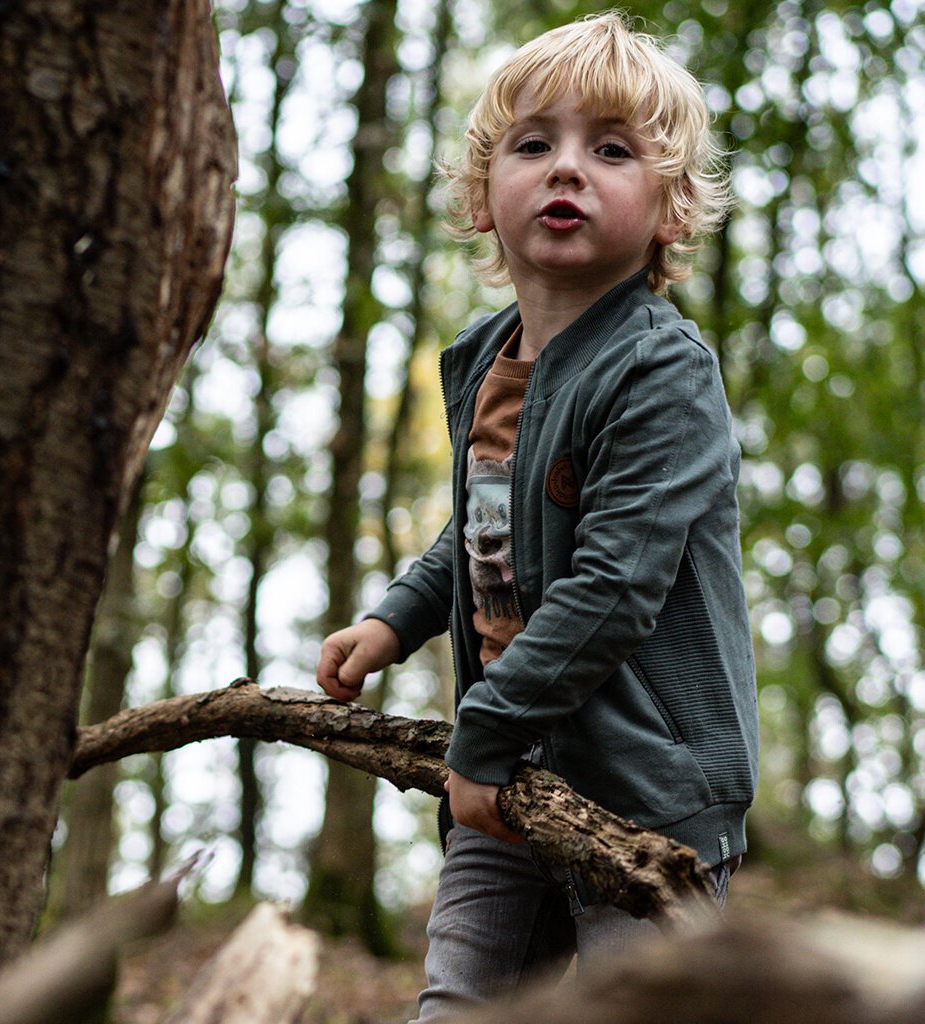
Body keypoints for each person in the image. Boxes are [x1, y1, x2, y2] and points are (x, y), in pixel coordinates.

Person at [316, 11, 758, 1019]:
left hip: (644, 791)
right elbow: (479, 527)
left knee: (631, 1006)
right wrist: (392, 620)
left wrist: (480, 731)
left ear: (670, 209)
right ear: (482, 196)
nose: (567, 168)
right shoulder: (483, 359)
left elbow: (613, 587)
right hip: (506, 773)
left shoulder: (660, 371)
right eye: (533, 145)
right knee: (459, 997)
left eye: (609, 149)